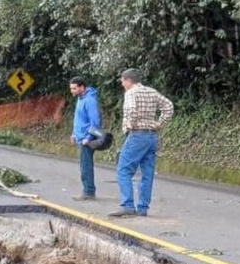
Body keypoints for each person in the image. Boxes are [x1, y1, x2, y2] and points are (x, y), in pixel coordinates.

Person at [109, 68, 174, 217]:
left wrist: (129, 124)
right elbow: (168, 106)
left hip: (137, 135)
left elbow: (131, 109)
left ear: (128, 80)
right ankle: (143, 208)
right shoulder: (151, 91)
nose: (122, 84)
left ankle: (128, 205)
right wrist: (159, 124)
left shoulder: (131, 93)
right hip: (152, 136)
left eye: (122, 81)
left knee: (123, 169)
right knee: (147, 173)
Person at [69, 76, 102, 201]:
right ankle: (88, 190)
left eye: (74, 88)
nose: (72, 91)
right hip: (80, 136)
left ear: (82, 87)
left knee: (86, 166)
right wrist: (74, 134)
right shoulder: (80, 98)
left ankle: (88, 191)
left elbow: (95, 122)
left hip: (86, 139)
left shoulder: (89, 101)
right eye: (71, 88)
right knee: (84, 165)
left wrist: (88, 137)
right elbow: (79, 119)